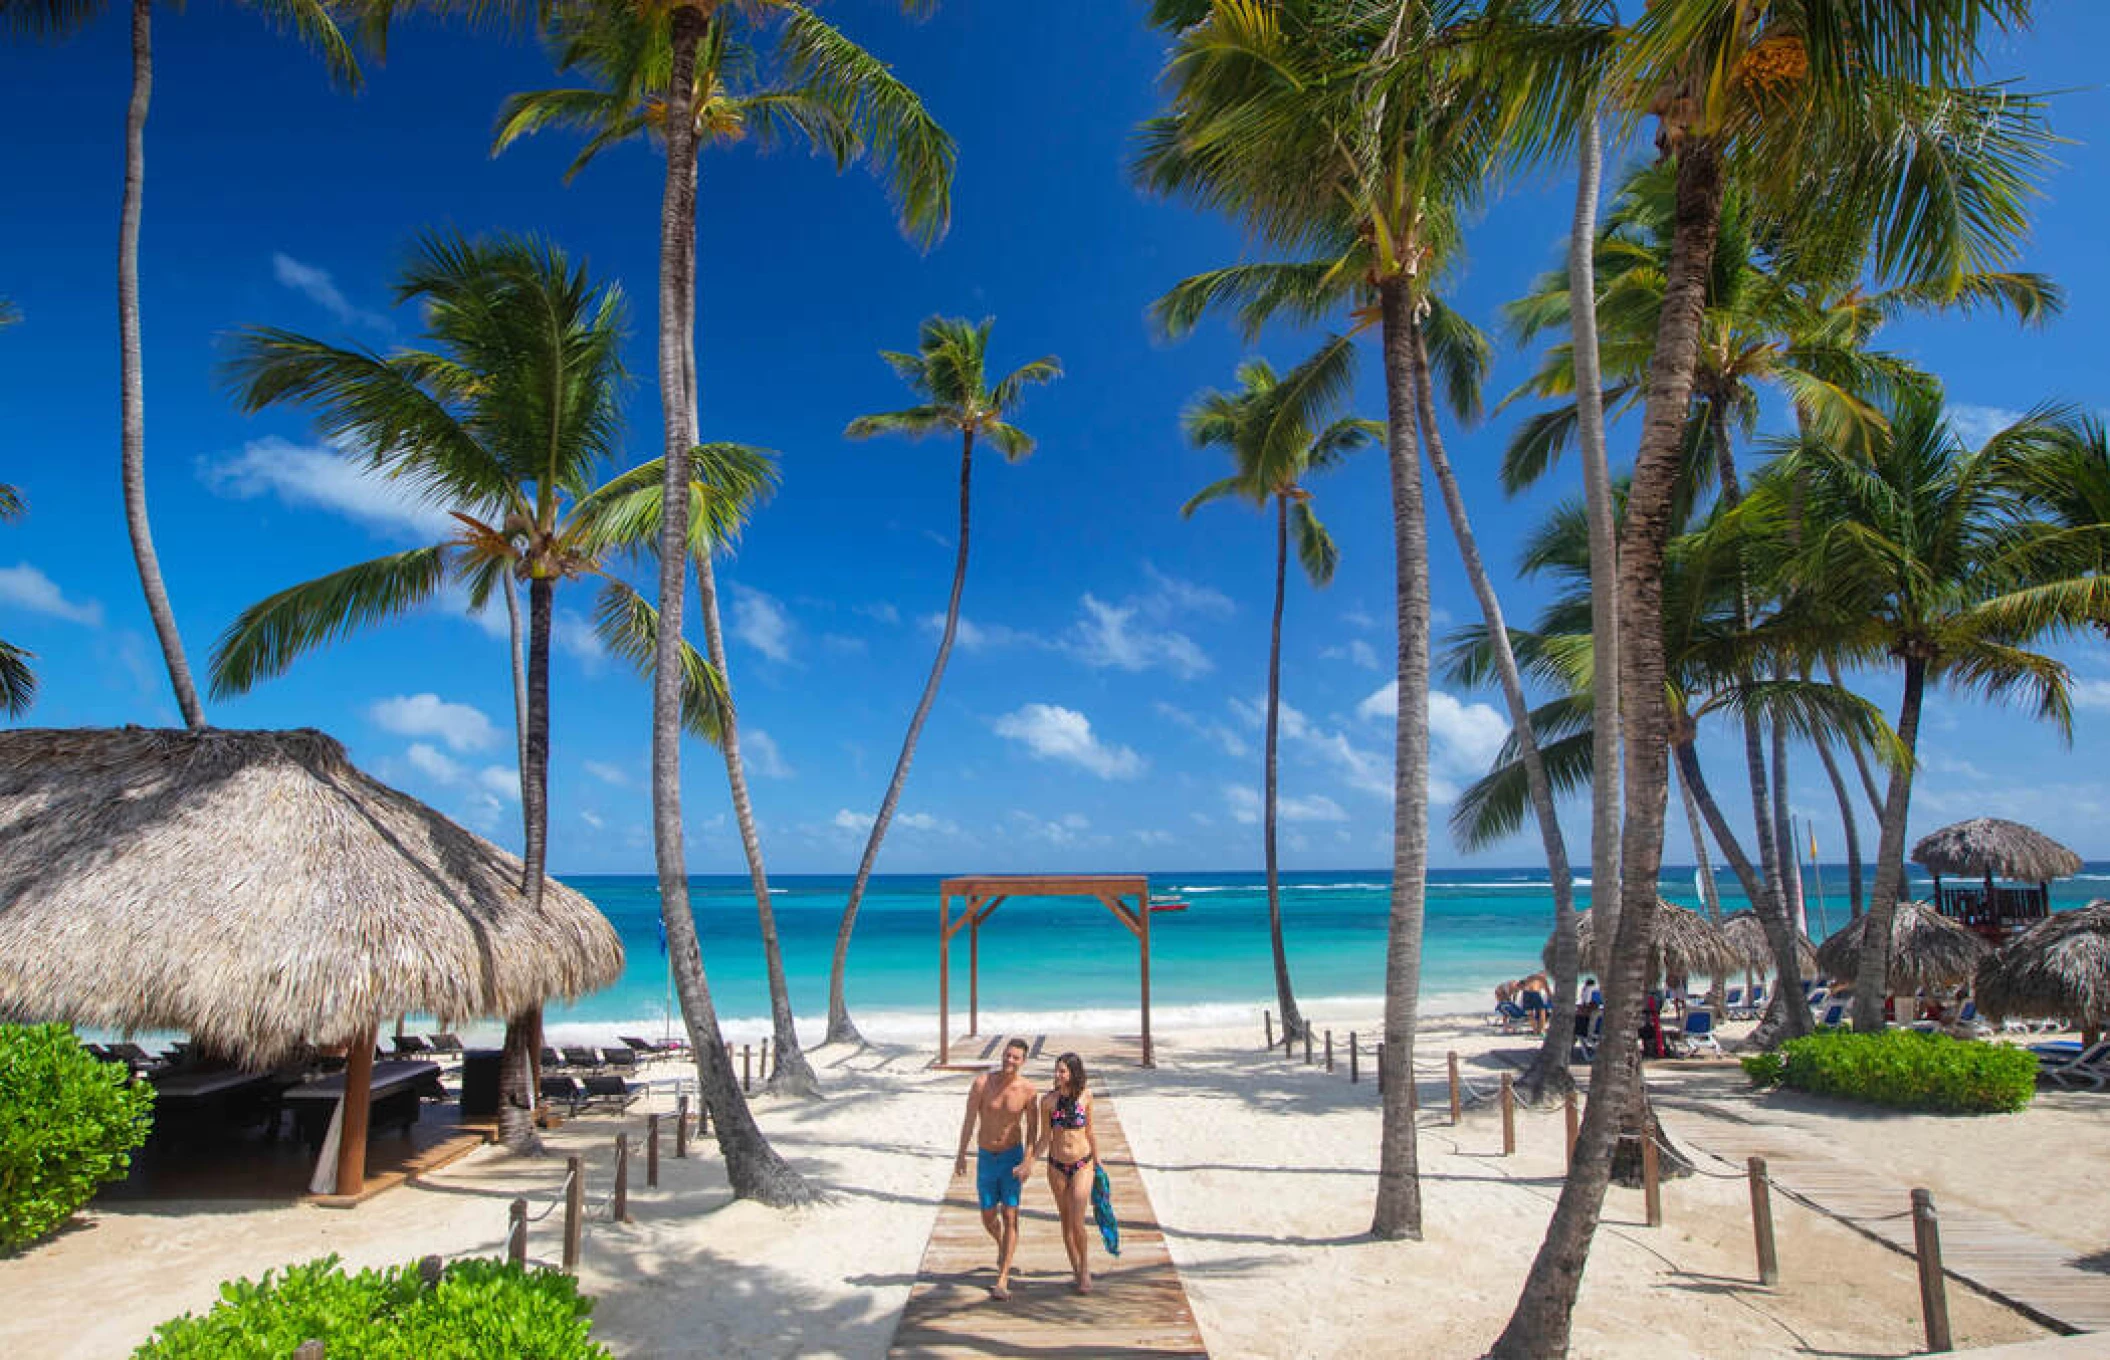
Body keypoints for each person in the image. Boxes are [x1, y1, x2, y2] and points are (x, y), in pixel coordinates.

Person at [954, 1037, 1038, 1300]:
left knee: (1010, 1214)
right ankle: (1002, 1244)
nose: (1009, 1060)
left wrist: (1028, 1161)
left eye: (1015, 1057)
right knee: (988, 1216)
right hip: (986, 1157)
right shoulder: (982, 1084)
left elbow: (1033, 1130)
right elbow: (969, 1119)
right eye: (1006, 1055)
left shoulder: (1027, 1091)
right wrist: (961, 1153)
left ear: (1023, 1061)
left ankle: (1002, 1277)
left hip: (1012, 1157)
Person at [1033, 1051, 1100, 1295]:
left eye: (1062, 1071)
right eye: (1056, 1070)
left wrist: (1099, 1163)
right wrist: (1029, 1162)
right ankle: (1075, 1267)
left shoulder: (1086, 1096)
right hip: (1056, 1165)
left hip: (1082, 1163)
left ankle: (1085, 1269)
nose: (1057, 1075)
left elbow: (1090, 1132)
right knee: (1065, 1219)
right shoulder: (1048, 1102)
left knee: (1077, 1220)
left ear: (1072, 1073)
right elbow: (1044, 1138)